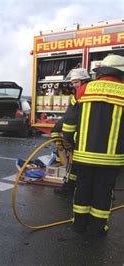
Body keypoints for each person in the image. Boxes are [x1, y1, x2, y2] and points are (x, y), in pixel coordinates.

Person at [62, 54, 124, 237]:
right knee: (103, 192)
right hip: (112, 159)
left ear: (101, 71)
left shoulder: (83, 90)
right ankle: (98, 228)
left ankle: (79, 225)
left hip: (83, 156)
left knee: (83, 189)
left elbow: (68, 124)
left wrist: (70, 143)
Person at [52, 68, 90, 196]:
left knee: (77, 164)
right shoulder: (92, 92)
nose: (74, 85)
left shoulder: (80, 94)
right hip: (91, 135)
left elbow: (70, 119)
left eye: (76, 82)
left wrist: (67, 140)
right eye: (73, 83)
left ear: (84, 80)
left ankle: (71, 189)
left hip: (81, 136)